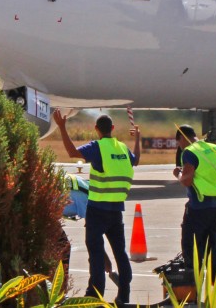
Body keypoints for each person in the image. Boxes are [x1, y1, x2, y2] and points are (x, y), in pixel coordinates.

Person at [53, 110, 140, 305]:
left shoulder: (98, 147)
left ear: (96, 130)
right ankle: (124, 296)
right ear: (113, 129)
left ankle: (95, 295)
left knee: (96, 254)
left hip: (97, 209)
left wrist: (61, 127)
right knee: (121, 254)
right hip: (117, 210)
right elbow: (137, 160)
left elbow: (72, 153)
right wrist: (139, 139)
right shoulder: (123, 148)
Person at [173, 124, 216, 277]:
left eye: (179, 143)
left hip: (199, 206)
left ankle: (191, 285)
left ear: (182, 138)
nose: (180, 147)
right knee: (211, 247)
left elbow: (187, 180)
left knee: (190, 246)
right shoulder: (214, 148)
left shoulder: (189, 152)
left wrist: (177, 174)